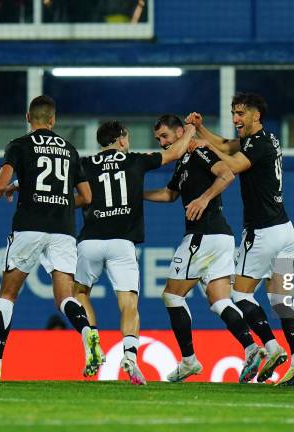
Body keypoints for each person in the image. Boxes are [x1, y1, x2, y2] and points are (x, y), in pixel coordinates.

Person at [0, 95, 98, 383]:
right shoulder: (70, 149)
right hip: (62, 230)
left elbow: (0, 184)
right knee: (65, 298)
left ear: (28, 117)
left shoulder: (20, 145)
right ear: (53, 120)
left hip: (29, 226)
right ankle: (88, 334)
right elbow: (86, 197)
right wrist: (57, 202)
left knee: (8, 295)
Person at [186, 93, 294, 386]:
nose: (235, 118)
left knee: (239, 295)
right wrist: (203, 131)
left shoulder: (259, 144)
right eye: (233, 112)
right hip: (285, 230)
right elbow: (227, 145)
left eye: (241, 113)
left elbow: (233, 164)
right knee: (281, 299)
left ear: (256, 116)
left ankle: (272, 346)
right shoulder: (265, 139)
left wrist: (204, 148)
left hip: (263, 232)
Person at [73, 120, 195, 385]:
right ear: (121, 139)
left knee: (80, 293)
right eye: (126, 138)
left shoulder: (84, 163)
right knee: (128, 303)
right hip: (122, 243)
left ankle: (91, 340)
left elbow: (78, 196)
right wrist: (192, 131)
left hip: (90, 240)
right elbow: (175, 152)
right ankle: (130, 356)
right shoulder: (135, 161)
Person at [145, 114, 264, 383]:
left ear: (180, 133)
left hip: (204, 235)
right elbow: (169, 194)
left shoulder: (199, 152)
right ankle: (251, 348)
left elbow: (227, 173)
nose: (162, 143)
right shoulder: (183, 162)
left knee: (172, 297)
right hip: (219, 238)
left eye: (165, 136)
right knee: (220, 301)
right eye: (158, 139)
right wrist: (135, 195)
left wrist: (203, 198)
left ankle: (189, 361)